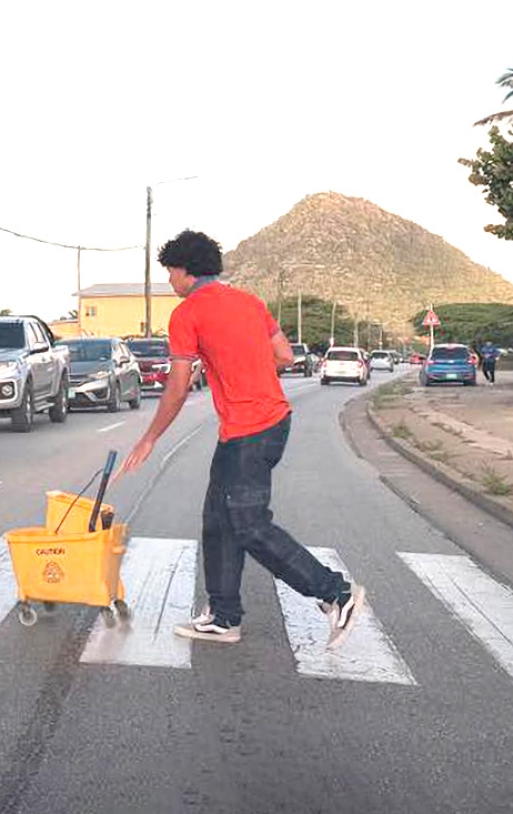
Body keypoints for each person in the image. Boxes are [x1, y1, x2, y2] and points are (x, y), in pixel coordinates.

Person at [120, 230, 365, 648]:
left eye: (170, 274)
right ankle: (223, 616)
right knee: (218, 520)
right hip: (267, 422)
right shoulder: (249, 302)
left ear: (184, 270)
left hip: (248, 431)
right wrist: (242, 365)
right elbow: (285, 356)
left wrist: (149, 439)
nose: (170, 283)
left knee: (249, 525)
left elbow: (177, 388)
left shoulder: (187, 314)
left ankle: (335, 593)